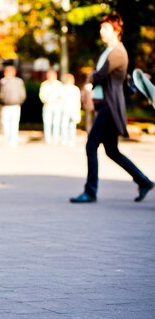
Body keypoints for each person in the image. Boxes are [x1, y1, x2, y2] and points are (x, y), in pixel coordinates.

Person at [70, 12, 153, 204]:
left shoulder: (118, 52)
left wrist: (91, 78)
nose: (101, 31)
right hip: (105, 106)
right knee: (112, 151)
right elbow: (112, 80)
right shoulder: (108, 51)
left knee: (91, 146)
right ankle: (144, 181)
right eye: (101, 27)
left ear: (116, 30)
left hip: (109, 107)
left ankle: (90, 192)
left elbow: (99, 74)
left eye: (105, 28)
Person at [0, 65, 26, 147]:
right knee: (10, 123)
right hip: (10, 105)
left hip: (11, 105)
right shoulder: (16, 81)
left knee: (10, 123)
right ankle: (10, 140)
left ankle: (10, 140)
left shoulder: (4, 81)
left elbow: (22, 94)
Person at [39, 69, 63, 144]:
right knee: (47, 122)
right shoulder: (44, 84)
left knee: (56, 122)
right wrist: (47, 100)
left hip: (57, 105)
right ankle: (48, 138)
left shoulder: (59, 84)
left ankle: (55, 138)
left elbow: (61, 95)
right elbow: (42, 96)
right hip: (48, 105)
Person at [59, 73, 81, 147]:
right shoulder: (73, 89)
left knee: (66, 125)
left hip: (69, 108)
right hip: (69, 108)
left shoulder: (64, 88)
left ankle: (66, 139)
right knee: (69, 125)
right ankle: (70, 140)